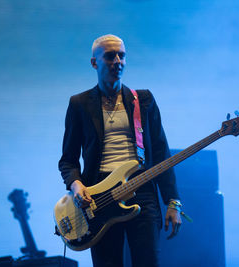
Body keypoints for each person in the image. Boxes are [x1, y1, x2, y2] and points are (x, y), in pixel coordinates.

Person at [58, 34, 182, 267]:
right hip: (99, 197)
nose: (117, 61)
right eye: (109, 56)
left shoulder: (142, 100)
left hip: (142, 191)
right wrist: (77, 186)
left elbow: (161, 152)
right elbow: (68, 160)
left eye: (121, 55)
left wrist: (173, 201)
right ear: (94, 62)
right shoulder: (79, 104)